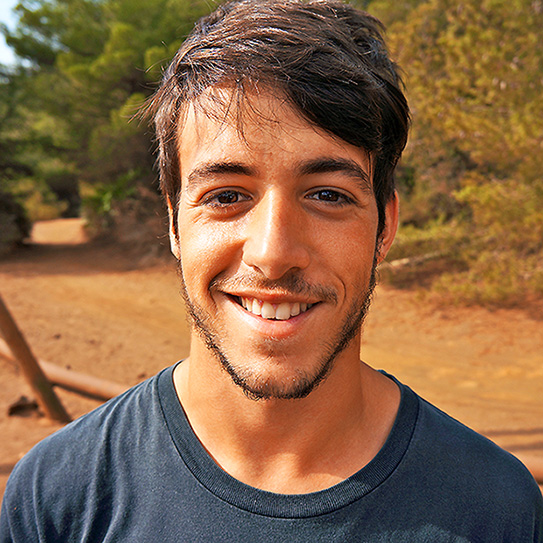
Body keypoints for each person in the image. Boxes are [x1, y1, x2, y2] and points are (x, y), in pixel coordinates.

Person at [1, 0, 542, 540]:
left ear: (385, 227)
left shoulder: (496, 509)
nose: (273, 252)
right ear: (173, 222)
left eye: (328, 195)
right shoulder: (57, 498)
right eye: (226, 196)